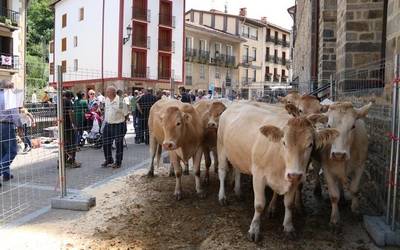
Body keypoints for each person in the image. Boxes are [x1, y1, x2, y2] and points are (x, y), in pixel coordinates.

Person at [0, 80, 23, 186]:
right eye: (12, 87)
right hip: (6, 126)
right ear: (8, 88)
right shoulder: (9, 97)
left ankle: (6, 174)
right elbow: (15, 115)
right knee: (12, 151)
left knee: (3, 151)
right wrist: (20, 126)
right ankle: (2, 170)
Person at [102, 86, 129, 168]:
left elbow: (126, 113)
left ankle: (118, 162)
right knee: (105, 143)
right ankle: (108, 159)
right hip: (108, 124)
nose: (106, 93)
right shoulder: (106, 100)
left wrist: (123, 124)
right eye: (106, 92)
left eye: (108, 92)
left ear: (113, 92)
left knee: (118, 144)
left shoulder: (120, 101)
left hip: (118, 125)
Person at [63, 90, 81, 168]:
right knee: (72, 143)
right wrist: (74, 124)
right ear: (70, 97)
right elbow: (71, 113)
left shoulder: (60, 102)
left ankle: (64, 161)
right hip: (68, 126)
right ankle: (72, 161)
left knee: (64, 144)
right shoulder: (68, 102)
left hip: (62, 126)